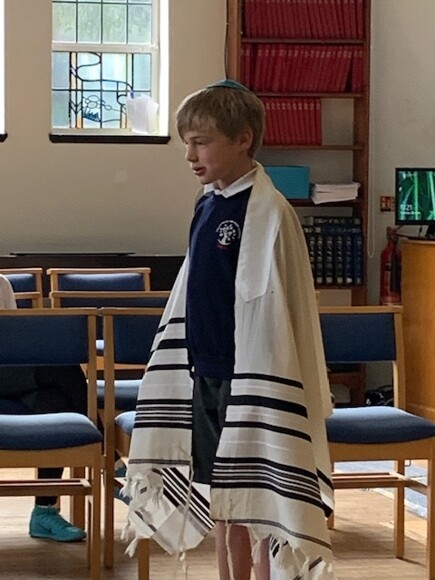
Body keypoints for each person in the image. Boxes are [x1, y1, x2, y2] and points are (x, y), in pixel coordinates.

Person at [125, 80, 335, 579]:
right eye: (186, 143)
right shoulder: (207, 203)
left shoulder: (270, 212)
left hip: (252, 379)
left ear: (243, 139)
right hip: (207, 373)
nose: (190, 156)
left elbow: (282, 308)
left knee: (257, 499)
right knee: (223, 495)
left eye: (201, 142)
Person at [0, 274, 87, 542]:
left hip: (10, 373)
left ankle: (44, 512)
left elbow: (13, 341)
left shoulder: (1, 284)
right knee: (63, 366)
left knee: (55, 403)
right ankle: (110, 454)